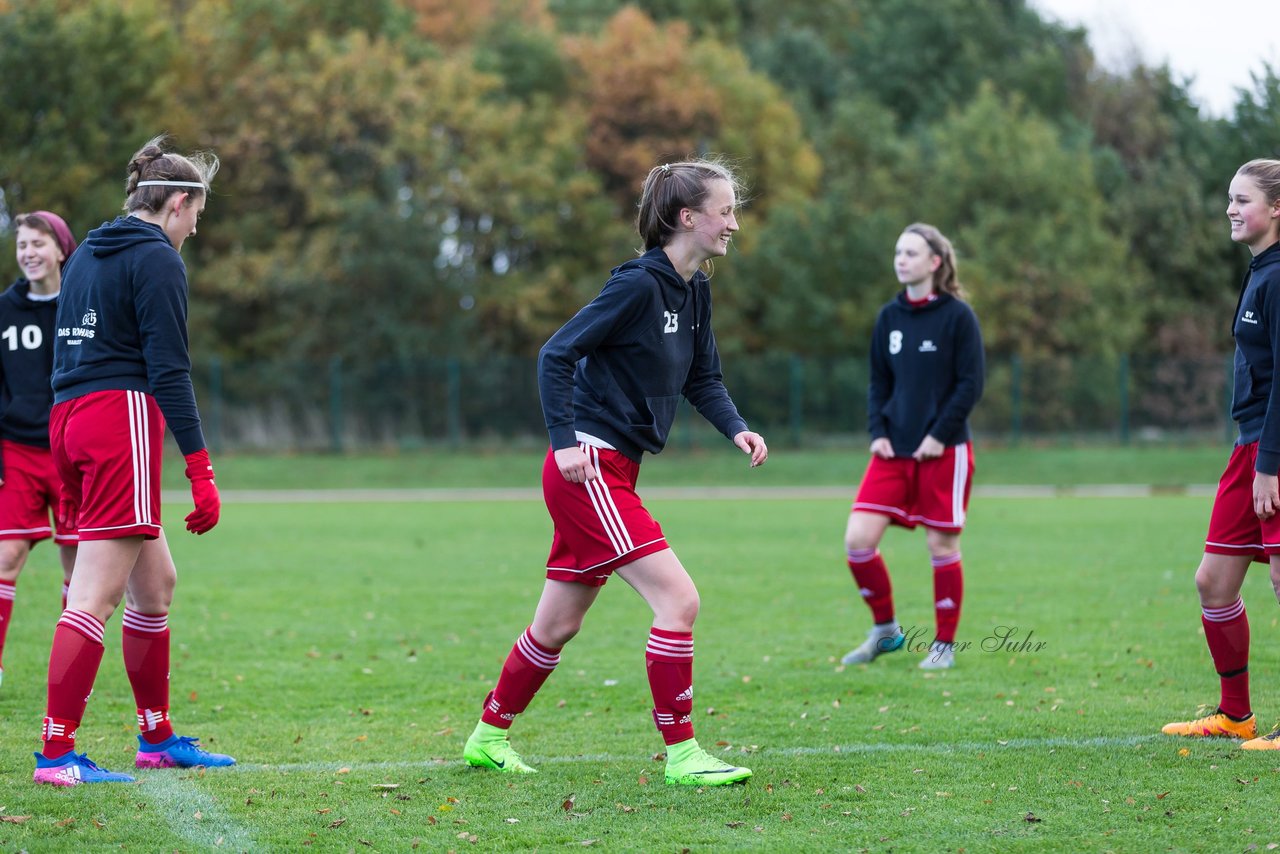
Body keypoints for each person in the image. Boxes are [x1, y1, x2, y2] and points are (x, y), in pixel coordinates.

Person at [461, 158, 768, 786]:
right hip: (588, 468)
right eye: (726, 210)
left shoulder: (696, 289)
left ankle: (488, 738)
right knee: (679, 600)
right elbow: (555, 352)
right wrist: (564, 439)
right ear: (688, 217)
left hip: (616, 470)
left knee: (557, 624)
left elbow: (702, 379)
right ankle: (683, 756)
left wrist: (736, 426)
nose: (734, 223)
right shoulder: (636, 286)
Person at [32, 136, 234, 786]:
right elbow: (169, 371)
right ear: (177, 202)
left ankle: (157, 737)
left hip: (69, 416)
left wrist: (65, 450)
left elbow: (66, 355)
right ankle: (57, 756)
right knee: (95, 595)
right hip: (118, 418)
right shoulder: (156, 259)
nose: (193, 229)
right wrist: (200, 470)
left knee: (156, 584)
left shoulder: (88, 250)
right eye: (195, 216)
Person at [1162, 158, 1280, 748]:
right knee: (1214, 582)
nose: (1230, 209)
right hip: (1250, 446)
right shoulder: (1262, 269)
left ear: (1276, 208)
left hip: (1273, 452)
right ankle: (1236, 715)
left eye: (1242, 199)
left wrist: (1270, 463)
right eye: (1228, 199)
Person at [840, 223, 984, 671]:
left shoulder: (958, 316)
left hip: (945, 451)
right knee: (857, 542)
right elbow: (879, 382)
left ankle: (944, 646)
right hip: (891, 451)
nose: (901, 259)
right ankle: (885, 631)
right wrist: (877, 432)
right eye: (898, 251)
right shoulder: (889, 317)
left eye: (911, 252)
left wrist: (937, 435)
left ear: (935, 262)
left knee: (941, 547)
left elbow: (970, 385)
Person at [0, 211, 80, 687]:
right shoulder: (4, 311)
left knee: (78, 563)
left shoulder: (81, 305)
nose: (28, 253)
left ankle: (68, 669)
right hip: (19, 452)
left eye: (37, 244)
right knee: (7, 557)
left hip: (70, 450)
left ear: (61, 249)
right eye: (21, 244)